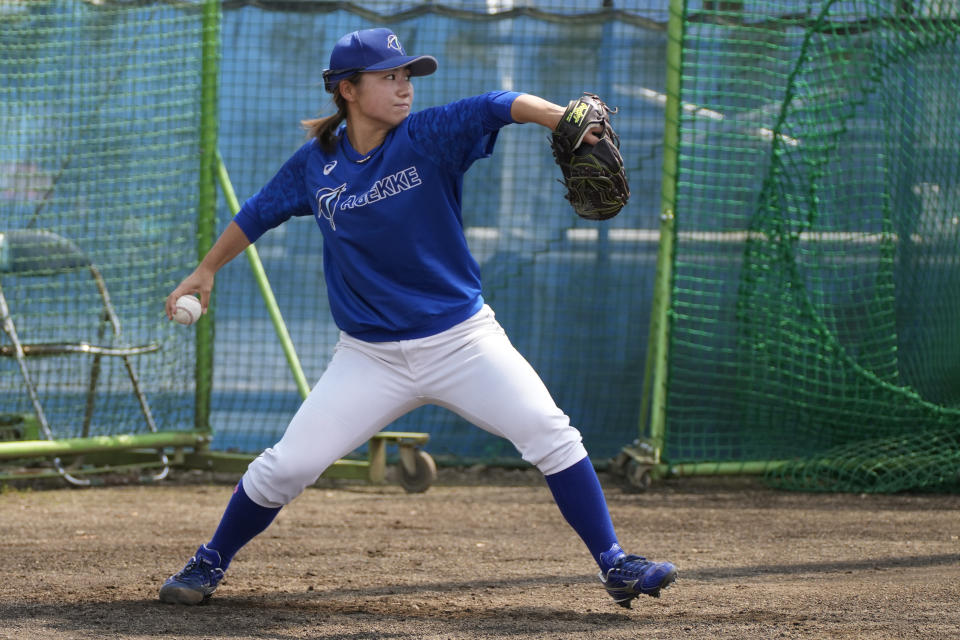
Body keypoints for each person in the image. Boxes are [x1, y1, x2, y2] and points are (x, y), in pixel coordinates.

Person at [158, 27, 676, 609]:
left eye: (407, 75)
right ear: (347, 89)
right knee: (286, 467)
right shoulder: (317, 165)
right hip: (369, 357)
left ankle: (615, 563)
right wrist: (206, 270)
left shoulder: (427, 136)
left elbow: (496, 105)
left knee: (551, 434)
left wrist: (558, 117)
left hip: (462, 340)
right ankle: (209, 561)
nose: (404, 87)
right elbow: (257, 213)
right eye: (389, 76)